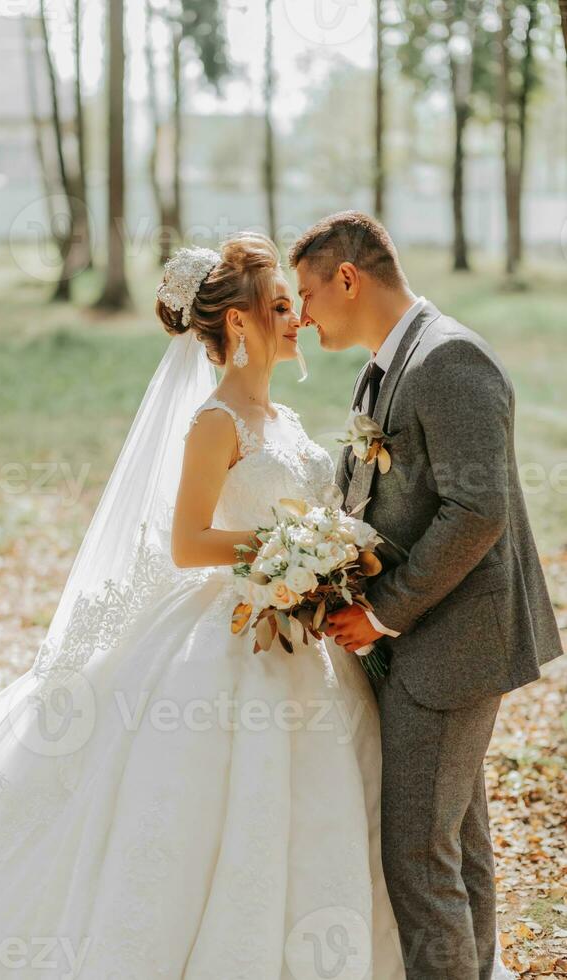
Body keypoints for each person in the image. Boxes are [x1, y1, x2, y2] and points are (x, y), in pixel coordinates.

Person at [0, 233, 405, 979]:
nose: (296, 319)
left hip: (303, 637)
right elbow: (188, 542)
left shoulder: (288, 422)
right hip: (233, 635)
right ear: (237, 325)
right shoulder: (216, 423)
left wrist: (325, 555)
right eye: (279, 305)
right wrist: (283, 550)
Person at [291, 210, 563, 980]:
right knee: (457, 843)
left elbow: (478, 512)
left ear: (348, 278)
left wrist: (381, 612)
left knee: (417, 854)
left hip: (456, 644)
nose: (303, 315)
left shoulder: (450, 361)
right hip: (425, 639)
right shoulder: (388, 361)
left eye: (308, 294)